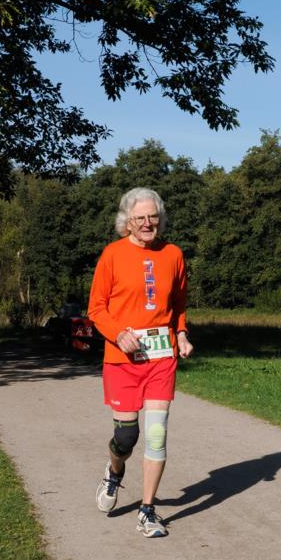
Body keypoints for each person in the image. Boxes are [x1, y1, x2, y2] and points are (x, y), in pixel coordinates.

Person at [88, 187, 193, 538]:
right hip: (122, 360)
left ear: (160, 218)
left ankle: (148, 510)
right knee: (127, 435)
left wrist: (180, 334)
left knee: (157, 433)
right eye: (140, 218)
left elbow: (178, 304)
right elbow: (96, 309)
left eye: (153, 216)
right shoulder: (112, 255)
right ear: (127, 222)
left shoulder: (174, 254)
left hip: (161, 357)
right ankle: (115, 471)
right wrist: (118, 334)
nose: (148, 223)